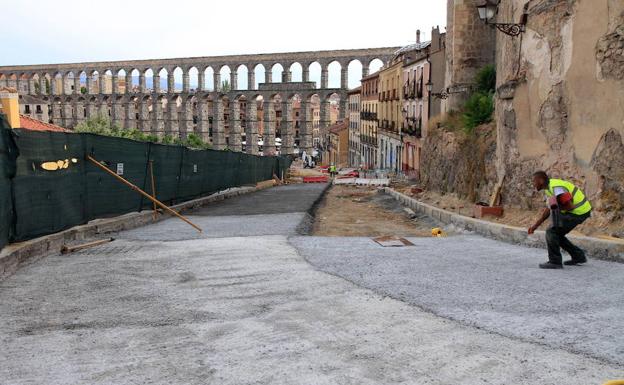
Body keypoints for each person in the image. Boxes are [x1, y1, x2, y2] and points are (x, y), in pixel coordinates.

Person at [528, 171, 592, 269]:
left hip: (579, 211)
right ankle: (578, 256)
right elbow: (548, 209)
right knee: (556, 234)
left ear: (541, 180)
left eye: (534, 181)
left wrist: (557, 207)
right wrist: (535, 226)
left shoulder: (556, 188)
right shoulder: (548, 188)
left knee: (551, 232)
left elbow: (570, 206)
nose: (533, 184)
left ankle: (555, 262)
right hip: (575, 211)